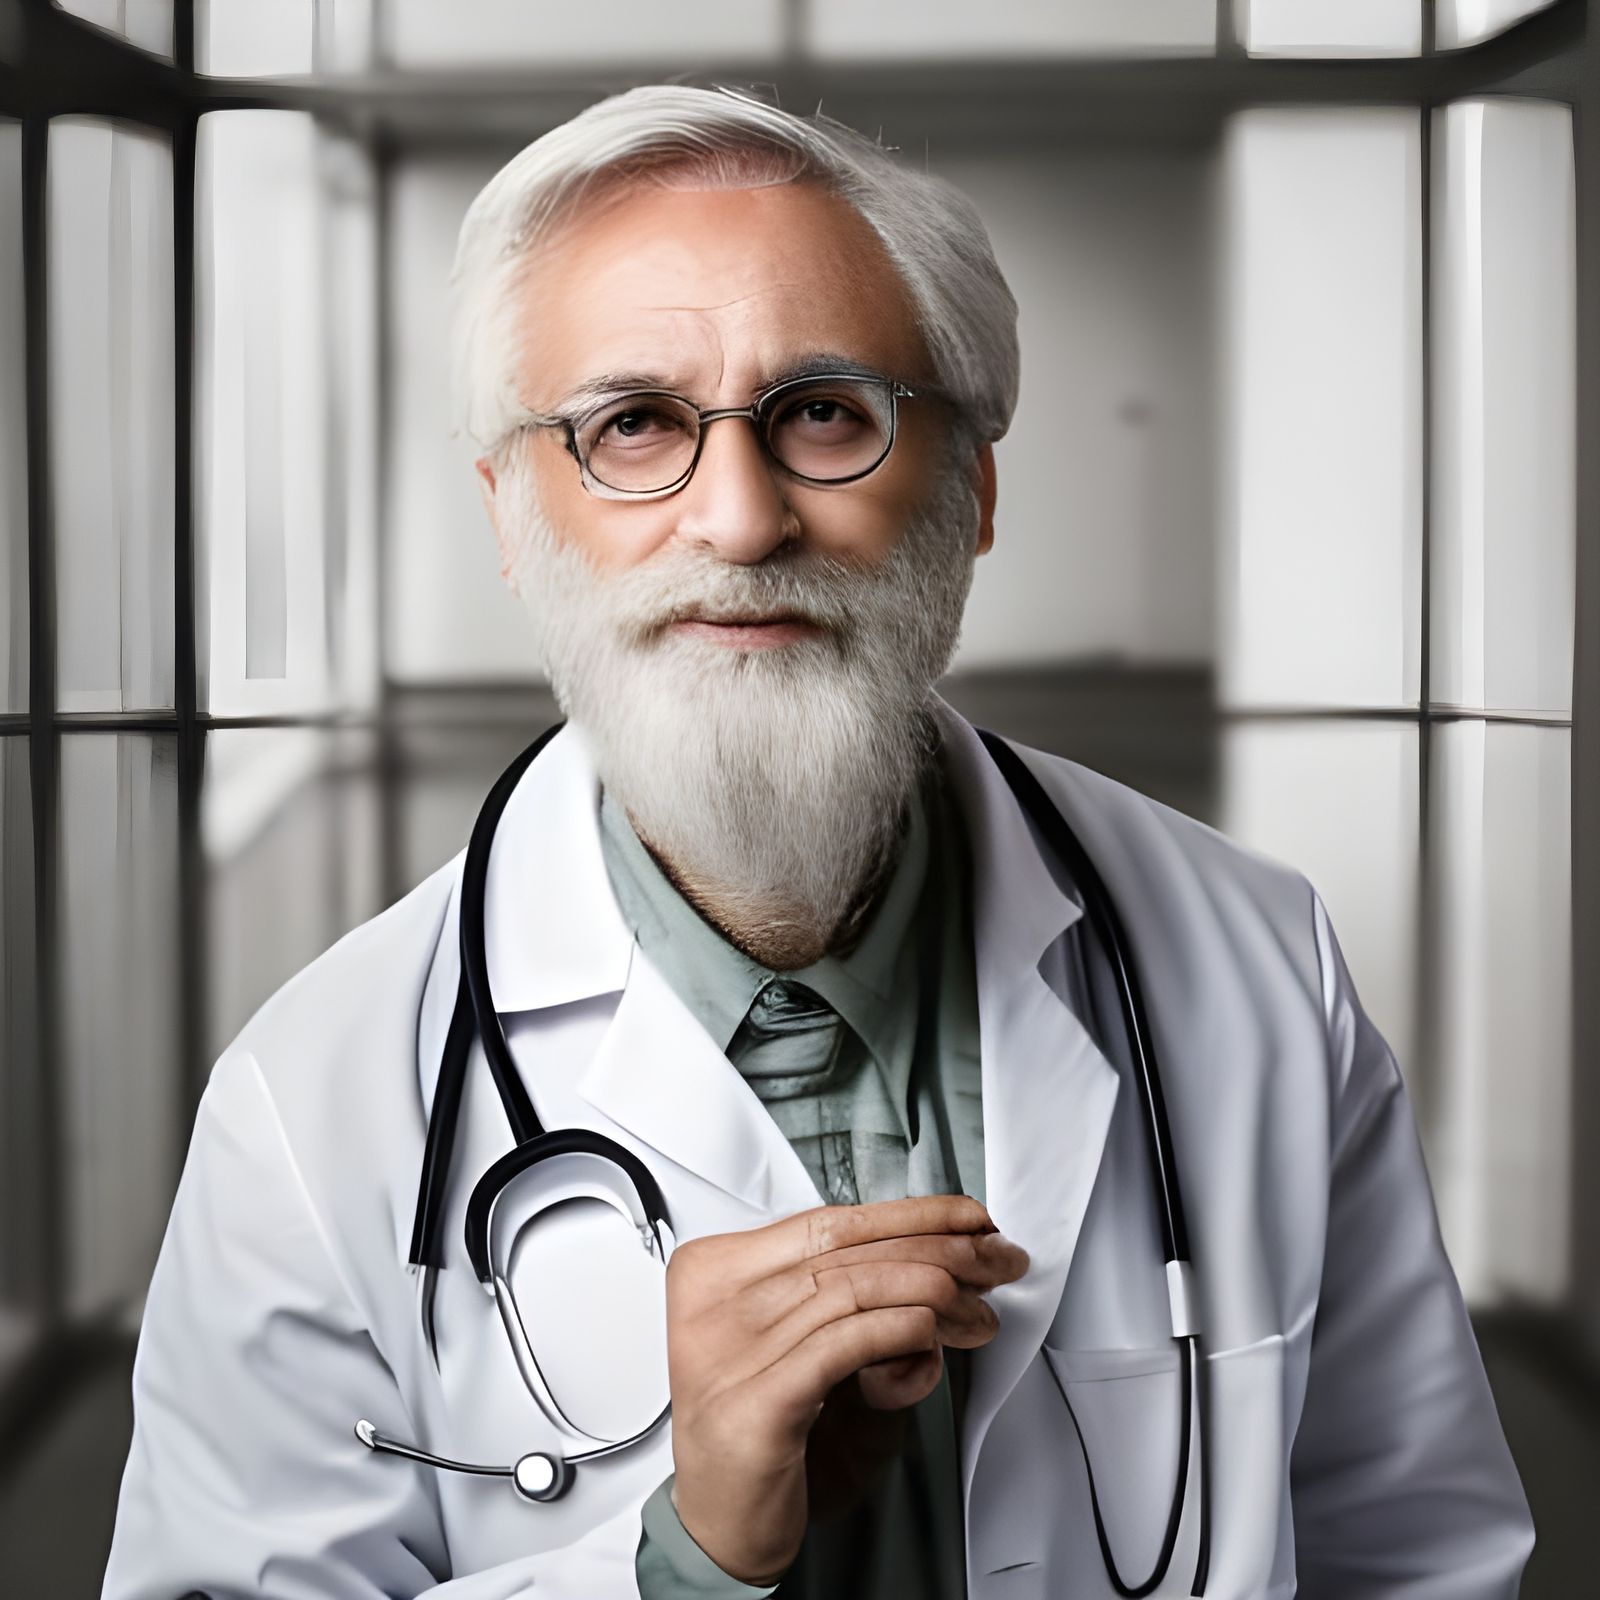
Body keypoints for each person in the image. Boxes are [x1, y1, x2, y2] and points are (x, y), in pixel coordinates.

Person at [101, 84, 1534, 1600]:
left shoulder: (1257, 962)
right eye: (637, 423)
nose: (737, 515)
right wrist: (682, 1563)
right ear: (515, 520)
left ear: (972, 492)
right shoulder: (310, 1106)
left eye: (824, 413)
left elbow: (1419, 1555)